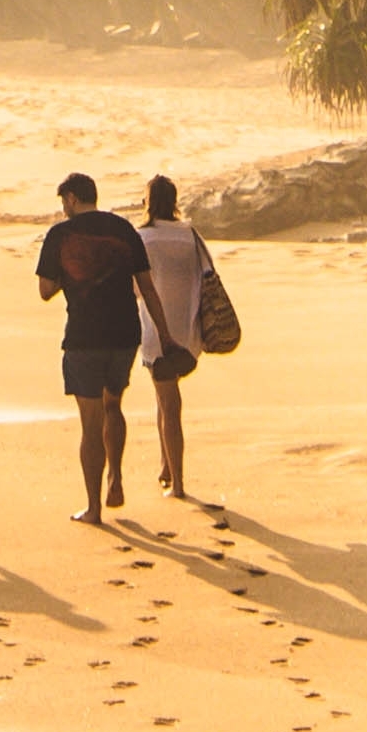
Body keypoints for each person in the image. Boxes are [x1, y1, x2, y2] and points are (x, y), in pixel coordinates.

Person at [31, 171, 153, 520]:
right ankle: (115, 477)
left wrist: (70, 276)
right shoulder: (123, 230)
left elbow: (44, 290)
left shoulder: (60, 235)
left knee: (90, 422)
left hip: (85, 337)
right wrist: (163, 331)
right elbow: (146, 285)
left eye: (63, 201)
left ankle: (94, 507)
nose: (63, 208)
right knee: (113, 405)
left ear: (71, 198)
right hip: (125, 334)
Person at [132, 177, 219, 503]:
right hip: (189, 329)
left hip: (158, 332)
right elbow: (207, 277)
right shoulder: (190, 236)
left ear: (148, 202)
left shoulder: (142, 238)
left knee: (169, 404)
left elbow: (135, 289)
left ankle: (178, 483)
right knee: (164, 399)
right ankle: (165, 466)